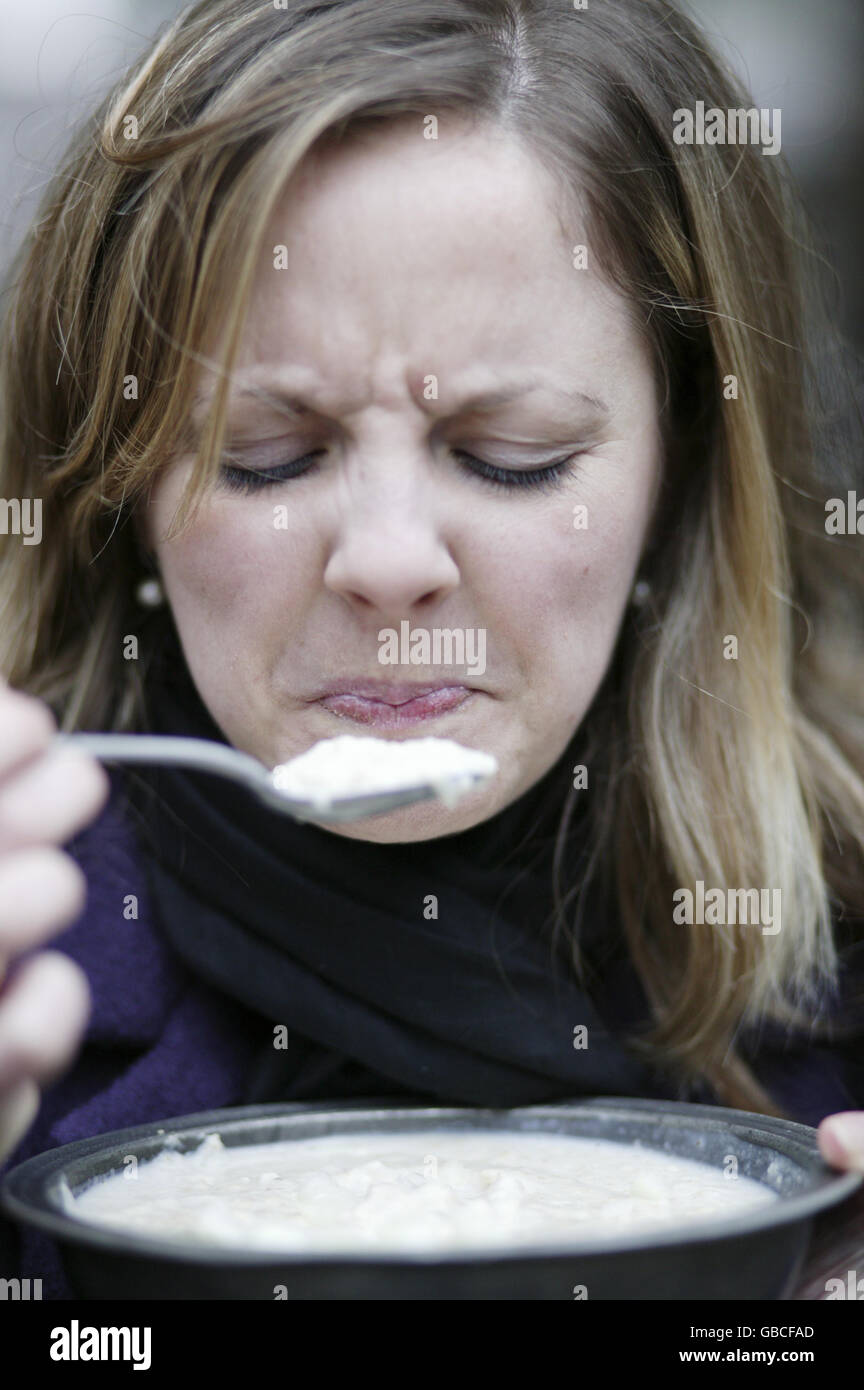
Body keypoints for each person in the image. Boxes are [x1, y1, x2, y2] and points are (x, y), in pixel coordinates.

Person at [1, 0, 862, 1299]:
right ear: (121, 492)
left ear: (684, 477)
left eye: (508, 457)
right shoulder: (32, 954)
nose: (388, 561)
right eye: (266, 457)